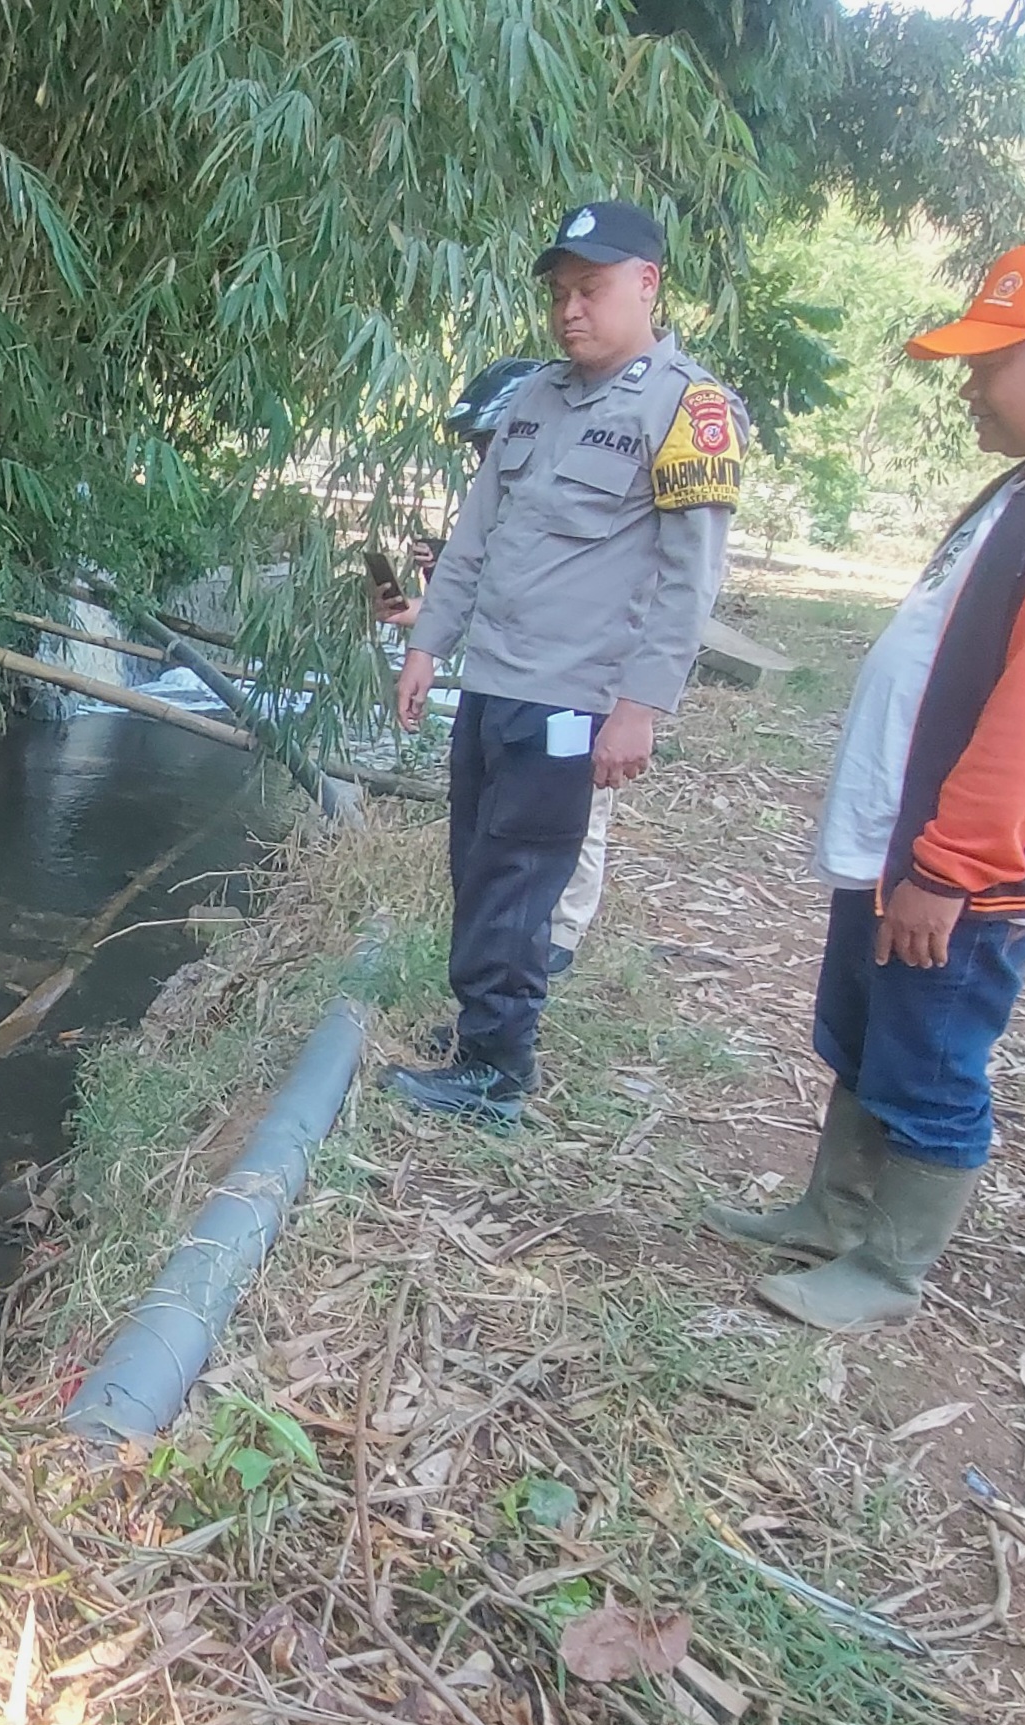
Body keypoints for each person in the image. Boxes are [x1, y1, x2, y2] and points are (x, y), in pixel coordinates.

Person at [706, 243, 1025, 1332]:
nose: (967, 385)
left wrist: (948, 866)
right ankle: (829, 1212)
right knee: (864, 1029)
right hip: (904, 837)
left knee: (930, 1056)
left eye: (990, 361)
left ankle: (886, 1269)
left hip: (964, 868)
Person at [384, 202, 743, 1122]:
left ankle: (496, 1076)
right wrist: (428, 645)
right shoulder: (537, 398)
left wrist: (640, 707)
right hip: (493, 681)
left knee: (518, 879)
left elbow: (684, 581)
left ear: (646, 284)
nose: (568, 311)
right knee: (476, 864)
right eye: (558, 294)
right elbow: (471, 541)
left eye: (589, 290)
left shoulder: (687, 408)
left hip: (572, 698)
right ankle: (479, 1032)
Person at [384, 355, 614, 981]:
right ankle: (508, 944)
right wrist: (430, 617)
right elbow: (492, 579)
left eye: (490, 440)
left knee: (575, 813)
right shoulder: (508, 491)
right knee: (505, 823)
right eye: (484, 445)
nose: (487, 454)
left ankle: (561, 932)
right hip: (506, 683)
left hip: (574, 681)